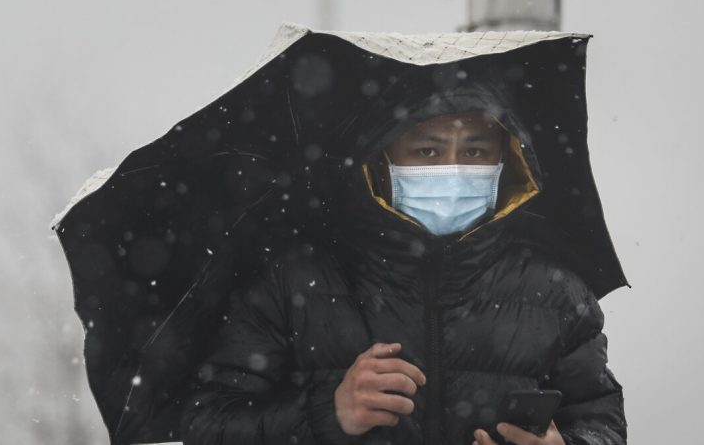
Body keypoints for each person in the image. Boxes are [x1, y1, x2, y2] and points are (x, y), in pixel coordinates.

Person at [179, 86, 628, 445]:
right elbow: (207, 425)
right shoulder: (290, 281)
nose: (452, 171)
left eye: (474, 152)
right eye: (427, 152)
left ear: (506, 160)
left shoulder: (556, 291)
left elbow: (601, 423)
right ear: (381, 161)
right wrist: (327, 412)